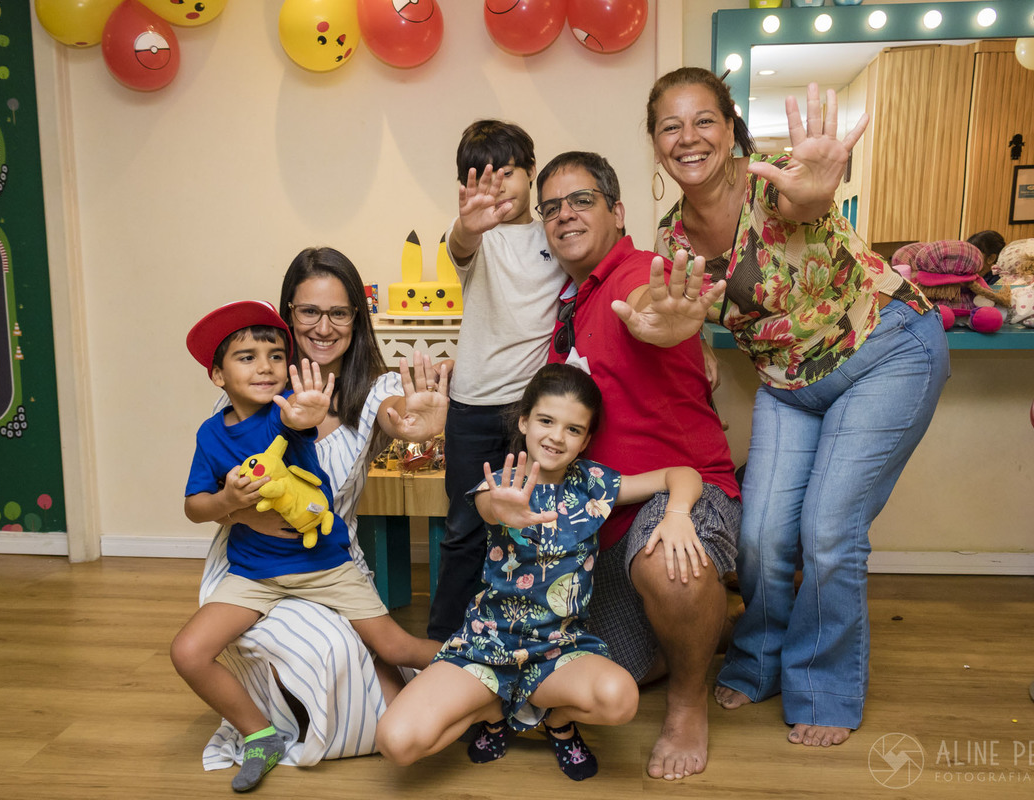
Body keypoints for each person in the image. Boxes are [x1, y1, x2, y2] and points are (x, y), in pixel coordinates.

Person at [643, 67, 949, 747]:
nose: (688, 138)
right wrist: (674, 336)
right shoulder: (673, 240)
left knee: (829, 533)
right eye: (671, 126)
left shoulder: (780, 177)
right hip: (787, 384)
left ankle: (826, 684)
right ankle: (758, 660)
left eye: (704, 121)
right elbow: (687, 321)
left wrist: (815, 192)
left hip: (885, 351)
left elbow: (806, 204)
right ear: (656, 143)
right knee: (760, 537)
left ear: (730, 129)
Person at [377, 363, 708, 781]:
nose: (556, 436)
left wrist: (677, 514)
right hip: (485, 648)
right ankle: (495, 708)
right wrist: (504, 510)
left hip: (558, 652)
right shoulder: (498, 483)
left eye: (573, 429)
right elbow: (489, 506)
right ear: (524, 420)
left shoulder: (594, 485)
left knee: (620, 699)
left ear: (586, 439)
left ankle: (555, 720)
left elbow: (681, 474)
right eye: (546, 421)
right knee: (397, 741)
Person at [192, 248, 449, 776]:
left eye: (339, 312)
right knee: (325, 653)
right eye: (309, 312)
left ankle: (475, 671)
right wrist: (237, 510)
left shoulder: (372, 388)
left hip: (331, 559)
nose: (324, 327)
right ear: (288, 315)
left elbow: (396, 413)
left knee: (393, 695)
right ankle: (272, 717)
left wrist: (413, 425)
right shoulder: (260, 386)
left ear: (358, 316)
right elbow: (211, 494)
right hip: (250, 564)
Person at [533, 150, 741, 781]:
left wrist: (672, 323)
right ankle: (719, 627)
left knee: (669, 564)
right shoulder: (571, 305)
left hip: (682, 491)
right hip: (605, 519)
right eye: (551, 208)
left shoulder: (632, 278)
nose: (564, 215)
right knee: (597, 684)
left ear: (617, 212)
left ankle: (687, 703)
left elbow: (653, 309)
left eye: (582, 201)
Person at [427, 120, 567, 643]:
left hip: (533, 411)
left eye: (507, 173)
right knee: (464, 530)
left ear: (531, 173)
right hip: (473, 406)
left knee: (531, 526)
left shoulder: (556, 232)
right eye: (482, 178)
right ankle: (443, 641)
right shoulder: (476, 234)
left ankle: (523, 637)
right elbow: (459, 244)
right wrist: (468, 224)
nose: (497, 187)